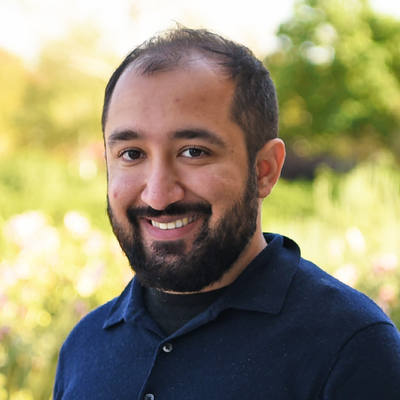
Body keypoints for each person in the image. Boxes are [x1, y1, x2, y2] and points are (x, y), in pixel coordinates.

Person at [53, 28, 400, 399]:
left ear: (265, 170)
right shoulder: (84, 346)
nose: (158, 195)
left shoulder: (352, 348)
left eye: (194, 152)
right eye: (132, 154)